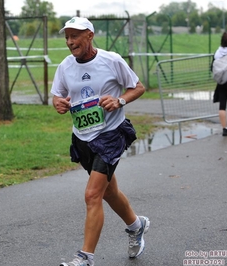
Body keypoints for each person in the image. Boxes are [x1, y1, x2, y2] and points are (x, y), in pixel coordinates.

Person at [51, 17, 149, 266]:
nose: (70, 42)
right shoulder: (65, 66)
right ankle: (137, 226)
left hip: (111, 134)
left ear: (89, 36)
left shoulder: (111, 60)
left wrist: (120, 101)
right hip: (82, 136)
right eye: (67, 37)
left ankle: (85, 257)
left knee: (93, 194)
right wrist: (58, 103)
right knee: (109, 192)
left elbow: (138, 87)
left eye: (75, 36)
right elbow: (57, 95)